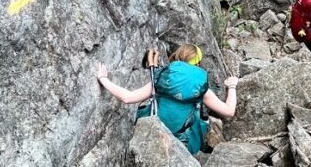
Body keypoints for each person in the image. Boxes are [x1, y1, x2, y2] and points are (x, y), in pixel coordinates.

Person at [96, 44, 237, 155]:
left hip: (153, 135)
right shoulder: (200, 87)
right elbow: (229, 111)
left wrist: (103, 79)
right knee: (200, 118)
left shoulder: (162, 77)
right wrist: (232, 86)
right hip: (183, 144)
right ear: (198, 63)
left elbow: (128, 97)